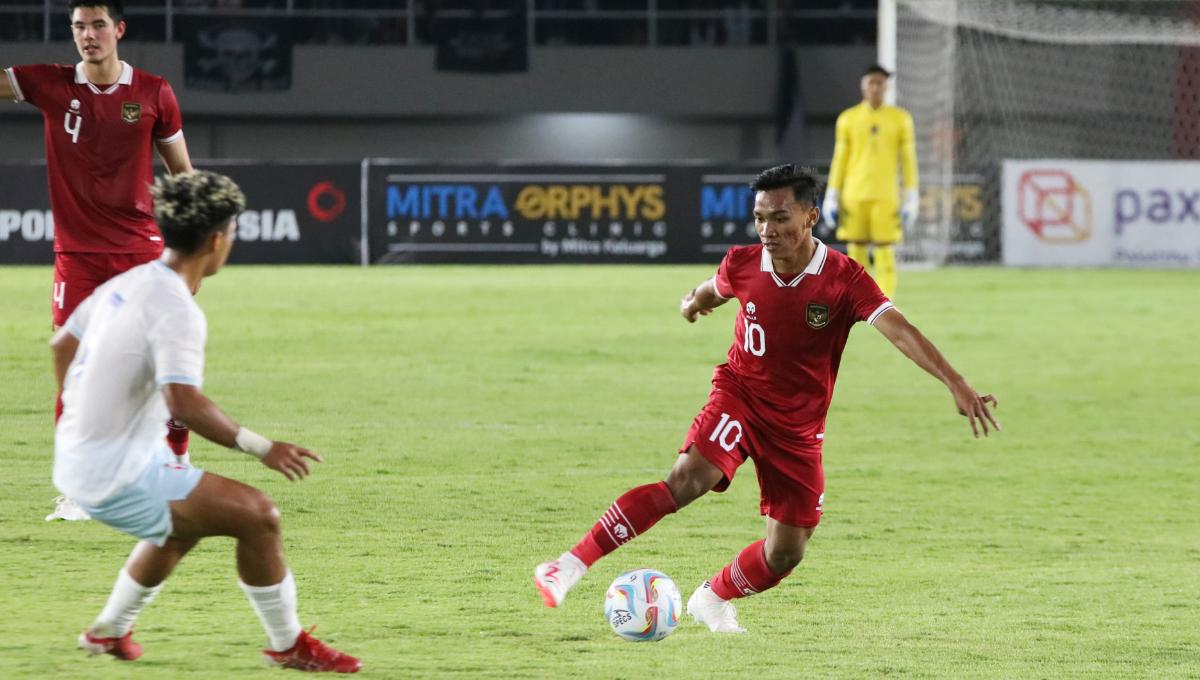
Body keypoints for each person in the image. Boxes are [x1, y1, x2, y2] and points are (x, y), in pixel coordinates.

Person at [533, 164, 998, 633]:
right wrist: (692, 303)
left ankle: (712, 598)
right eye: (759, 218)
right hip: (740, 396)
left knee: (786, 552)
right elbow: (713, 290)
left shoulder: (844, 278)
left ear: (811, 216)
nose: (767, 230)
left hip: (798, 429)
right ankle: (567, 566)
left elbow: (900, 331)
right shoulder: (743, 263)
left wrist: (955, 382)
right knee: (688, 479)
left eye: (779, 218)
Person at [50, 170, 362, 673]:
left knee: (183, 526)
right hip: (113, 471)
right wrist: (264, 448)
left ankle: (107, 632)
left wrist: (86, 414)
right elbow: (185, 403)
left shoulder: (131, 281)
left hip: (79, 455)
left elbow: (62, 343)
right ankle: (288, 645)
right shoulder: (177, 308)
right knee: (259, 516)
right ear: (217, 240)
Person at [2, 0, 196, 520]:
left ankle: (176, 459)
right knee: (72, 370)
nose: (88, 35)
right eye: (79, 26)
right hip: (78, 257)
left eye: (98, 25)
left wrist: (189, 250)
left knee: (160, 364)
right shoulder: (49, 83)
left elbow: (183, 175)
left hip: (141, 252)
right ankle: (80, 490)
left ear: (119, 29)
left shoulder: (154, 92)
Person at [823, 64, 919, 299]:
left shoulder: (900, 119)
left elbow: (908, 160)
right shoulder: (848, 119)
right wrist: (832, 195)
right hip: (853, 195)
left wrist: (912, 195)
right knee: (856, 251)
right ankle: (859, 300)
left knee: (885, 250)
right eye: (871, 82)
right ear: (863, 86)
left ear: (887, 87)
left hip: (886, 195)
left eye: (880, 83)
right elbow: (840, 159)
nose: (876, 87)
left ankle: (884, 303)